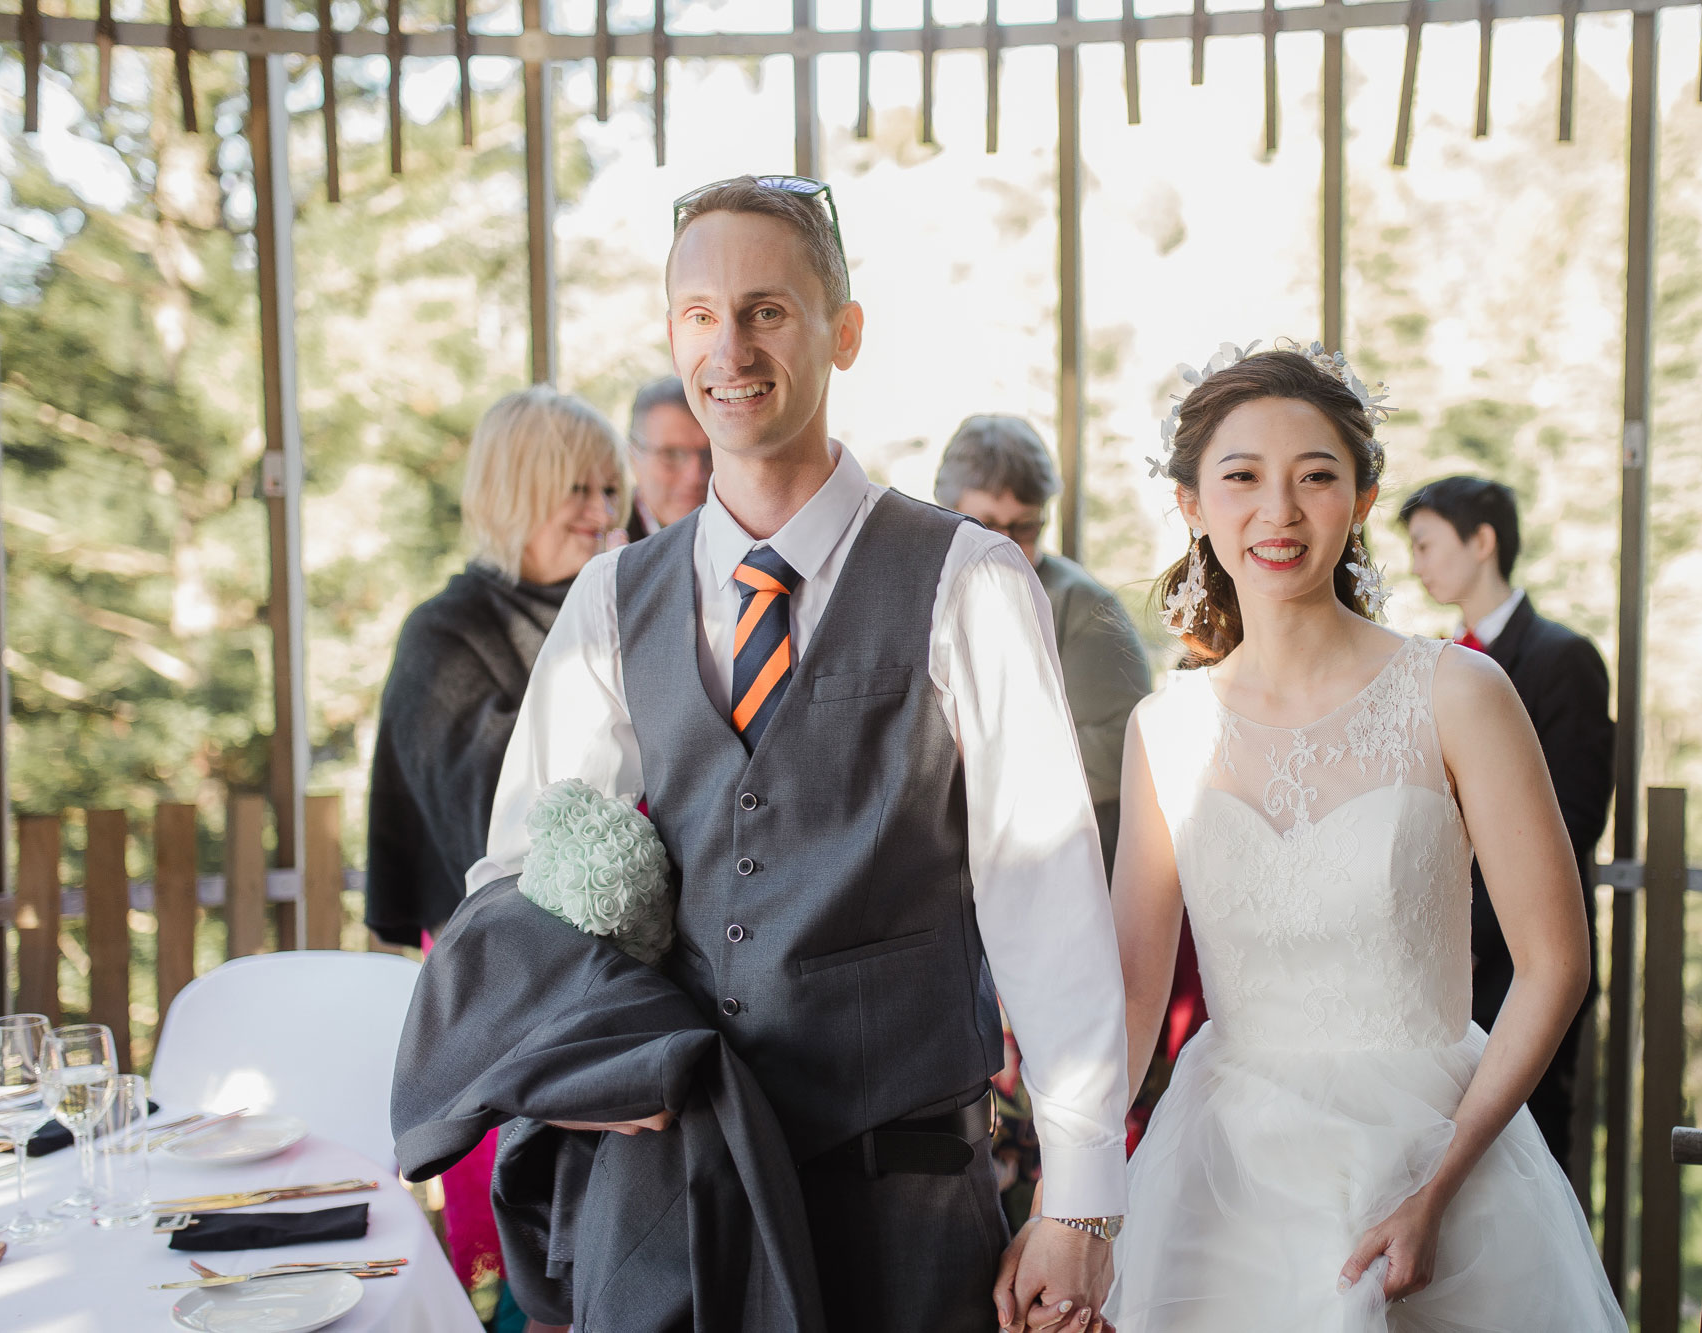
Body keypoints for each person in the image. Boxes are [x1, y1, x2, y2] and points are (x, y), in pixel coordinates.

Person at [460, 176, 1129, 1333]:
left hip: (903, 1201)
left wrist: (1077, 1202)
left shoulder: (966, 580)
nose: (731, 347)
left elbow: (1044, 890)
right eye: (701, 315)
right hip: (675, 1209)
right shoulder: (614, 599)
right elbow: (514, 876)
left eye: (768, 310)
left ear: (842, 331)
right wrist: (581, 1059)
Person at [1019, 342, 1623, 1328]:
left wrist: (1439, 1178)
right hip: (1224, 1173)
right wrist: (1062, 1204)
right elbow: (1131, 998)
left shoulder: (1459, 693)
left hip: (1438, 1150)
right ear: (1190, 504)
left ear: (1363, 498)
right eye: (1241, 477)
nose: (1278, 512)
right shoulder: (1161, 730)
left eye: (1314, 477)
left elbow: (1553, 963)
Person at [365, 383, 627, 1323]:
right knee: (527, 1241)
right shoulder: (448, 637)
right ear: (517, 491)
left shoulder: (622, 604)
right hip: (503, 979)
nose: (604, 516)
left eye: (611, 491)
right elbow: (497, 816)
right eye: (579, 492)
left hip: (615, 969)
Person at [1399, 474, 1614, 1172]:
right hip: (1441, 960)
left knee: (1530, 1153)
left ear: (1482, 540)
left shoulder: (1561, 658)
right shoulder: (1432, 663)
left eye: (1427, 543)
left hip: (1521, 953)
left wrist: (1471, 933)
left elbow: (1576, 813)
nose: (1417, 562)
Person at [935, 415, 1151, 868]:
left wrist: (977, 770)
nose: (1005, 545)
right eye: (986, 524)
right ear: (945, 512)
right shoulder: (917, 593)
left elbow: (1122, 748)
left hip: (1064, 863)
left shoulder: (1086, 608)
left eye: (1024, 528)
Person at [624, 374, 713, 540]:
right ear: (633, 457)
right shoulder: (603, 546)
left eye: (710, 455)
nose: (695, 477)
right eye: (672, 455)